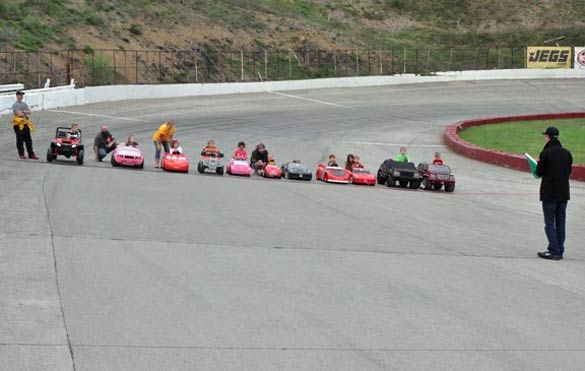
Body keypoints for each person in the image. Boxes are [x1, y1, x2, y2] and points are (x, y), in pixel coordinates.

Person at [536, 127, 573, 260]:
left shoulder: (546, 153)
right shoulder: (567, 153)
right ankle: (560, 250)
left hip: (549, 192)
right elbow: (568, 172)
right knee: (561, 221)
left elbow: (539, 172)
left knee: (550, 222)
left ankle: (554, 250)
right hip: (563, 193)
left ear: (548, 137)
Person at [11, 90, 38, 160]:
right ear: (17, 96)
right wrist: (24, 112)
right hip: (18, 124)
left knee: (28, 140)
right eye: (20, 95)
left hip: (25, 123)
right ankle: (21, 154)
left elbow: (29, 112)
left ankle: (31, 154)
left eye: (22, 95)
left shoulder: (24, 104)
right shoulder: (15, 105)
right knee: (20, 139)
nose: (21, 96)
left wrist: (23, 112)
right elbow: (18, 114)